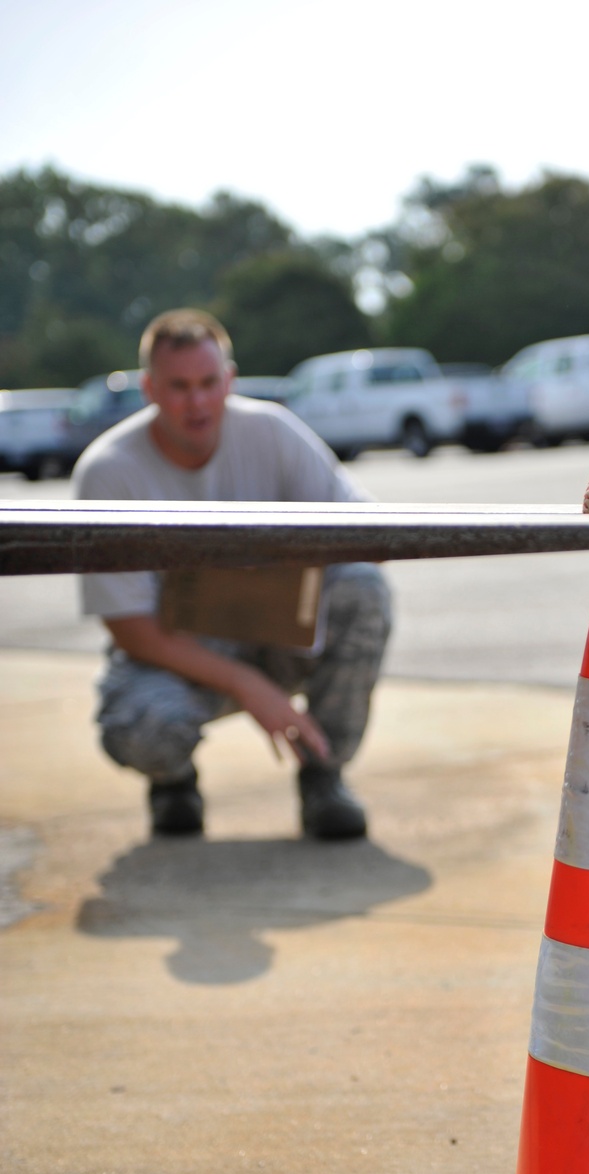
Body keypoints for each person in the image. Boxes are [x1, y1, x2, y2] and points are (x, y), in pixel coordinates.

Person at [75, 309, 391, 840]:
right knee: (139, 727)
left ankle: (324, 775)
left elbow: (367, 530)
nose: (196, 402)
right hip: (178, 652)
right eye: (178, 387)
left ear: (230, 380)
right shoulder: (108, 472)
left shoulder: (272, 431)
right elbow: (129, 627)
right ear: (149, 388)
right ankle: (173, 783)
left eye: (207, 383)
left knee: (362, 590)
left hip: (280, 635)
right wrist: (248, 687)